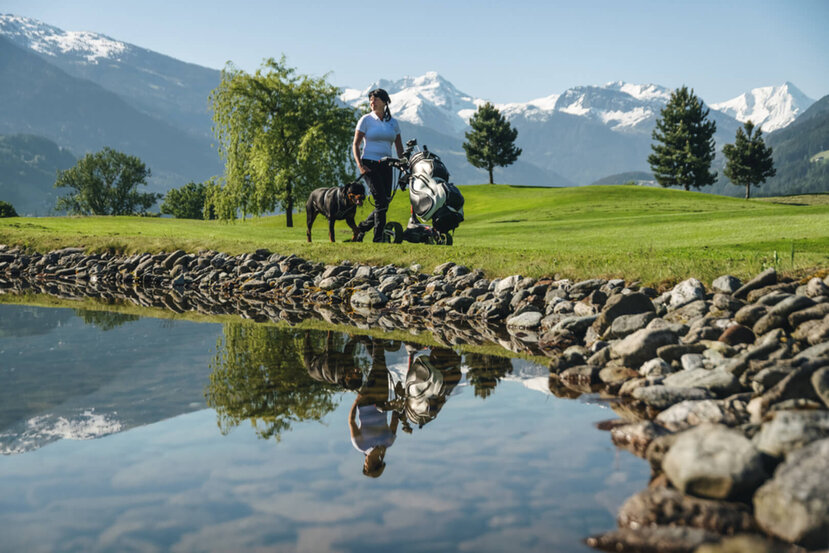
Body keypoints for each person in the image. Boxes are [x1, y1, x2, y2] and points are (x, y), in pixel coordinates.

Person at [352, 88, 405, 242]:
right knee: (380, 201)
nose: (372, 103)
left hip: (387, 165)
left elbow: (399, 146)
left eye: (375, 100)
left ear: (385, 102)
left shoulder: (393, 123)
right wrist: (361, 166)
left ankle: (361, 228)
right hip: (369, 164)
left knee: (385, 202)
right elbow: (355, 144)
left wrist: (403, 164)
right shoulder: (365, 120)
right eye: (370, 100)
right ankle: (378, 239)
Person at [348, 338, 399, 477]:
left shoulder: (360, 445)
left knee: (379, 365)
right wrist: (397, 406)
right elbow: (395, 419)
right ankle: (373, 340)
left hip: (365, 401)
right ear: (375, 463)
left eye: (364, 465)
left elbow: (351, 421)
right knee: (379, 365)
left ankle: (376, 338)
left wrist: (357, 401)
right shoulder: (388, 441)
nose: (364, 463)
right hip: (382, 399)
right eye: (366, 465)